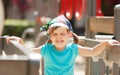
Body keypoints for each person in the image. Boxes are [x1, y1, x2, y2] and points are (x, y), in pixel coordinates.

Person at [6, 15, 119, 75]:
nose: (59, 37)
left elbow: (93, 51)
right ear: (50, 36)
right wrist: (21, 42)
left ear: (69, 34)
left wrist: (104, 43)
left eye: (62, 34)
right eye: (55, 34)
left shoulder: (73, 49)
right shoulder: (46, 49)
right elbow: (28, 52)